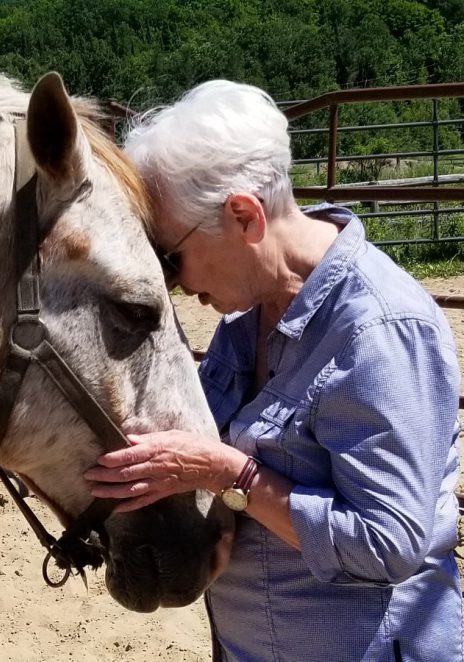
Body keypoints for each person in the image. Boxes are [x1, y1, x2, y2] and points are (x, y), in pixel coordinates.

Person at [84, 80, 463, 661]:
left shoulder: (379, 331)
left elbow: (388, 543)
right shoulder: (246, 321)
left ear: (243, 215)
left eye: (170, 255)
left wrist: (230, 475)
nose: (173, 280)